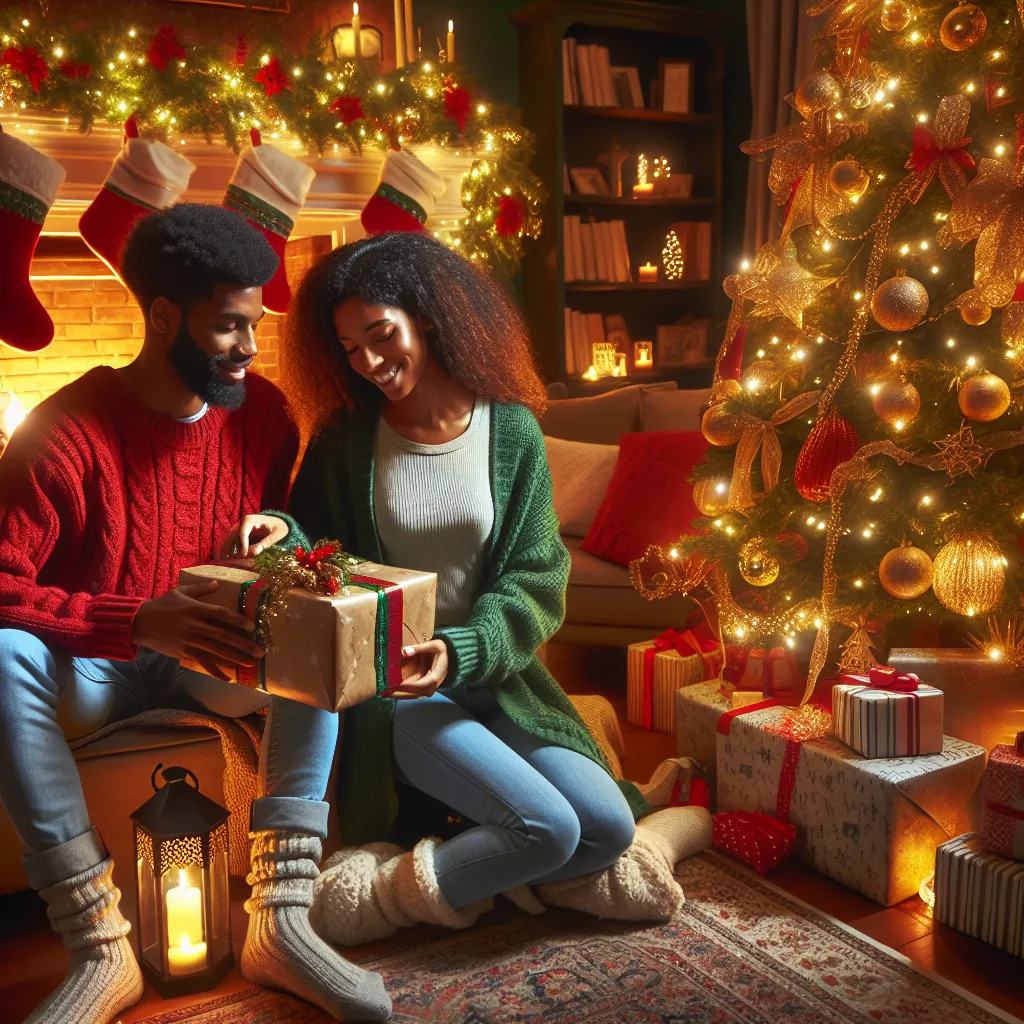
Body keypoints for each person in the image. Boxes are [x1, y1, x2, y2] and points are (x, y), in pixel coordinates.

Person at [0, 205, 391, 1024]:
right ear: (164, 316)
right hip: (95, 672)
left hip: (210, 663)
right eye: (229, 327)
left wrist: (284, 534)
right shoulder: (64, 431)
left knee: (317, 620)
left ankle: (280, 923)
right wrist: (138, 622)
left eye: (254, 324)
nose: (250, 347)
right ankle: (101, 949)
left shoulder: (266, 417)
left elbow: (290, 536)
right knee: (3, 655)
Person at [238, 231, 677, 941]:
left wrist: (464, 648)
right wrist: (278, 532)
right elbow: (315, 538)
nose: (370, 363)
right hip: (397, 692)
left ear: (431, 317)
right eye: (350, 348)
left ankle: (434, 873)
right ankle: (370, 907)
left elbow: (537, 578)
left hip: (495, 676)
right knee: (548, 829)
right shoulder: (346, 437)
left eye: (382, 335)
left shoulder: (512, 430)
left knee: (605, 828)